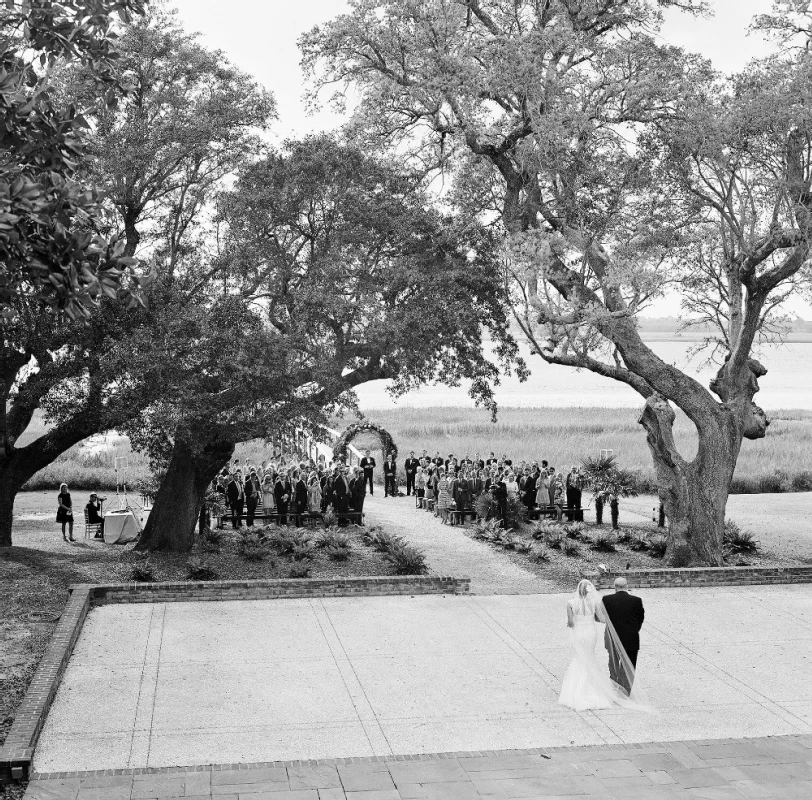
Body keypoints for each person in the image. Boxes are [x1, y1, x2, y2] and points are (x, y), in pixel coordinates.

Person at [558, 579, 649, 711]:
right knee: (596, 658)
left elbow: (571, 623)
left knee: (587, 658)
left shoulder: (573, 603)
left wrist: (571, 621)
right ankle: (620, 691)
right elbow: (602, 619)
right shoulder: (595, 603)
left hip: (582, 634)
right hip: (596, 634)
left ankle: (592, 688)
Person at [601, 577, 645, 694]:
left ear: (615, 587)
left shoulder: (606, 599)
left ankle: (614, 687)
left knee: (613, 662)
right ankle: (625, 690)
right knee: (629, 665)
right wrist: (634, 630)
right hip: (631, 638)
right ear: (627, 586)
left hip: (613, 638)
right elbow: (640, 619)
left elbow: (603, 618)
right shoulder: (637, 601)